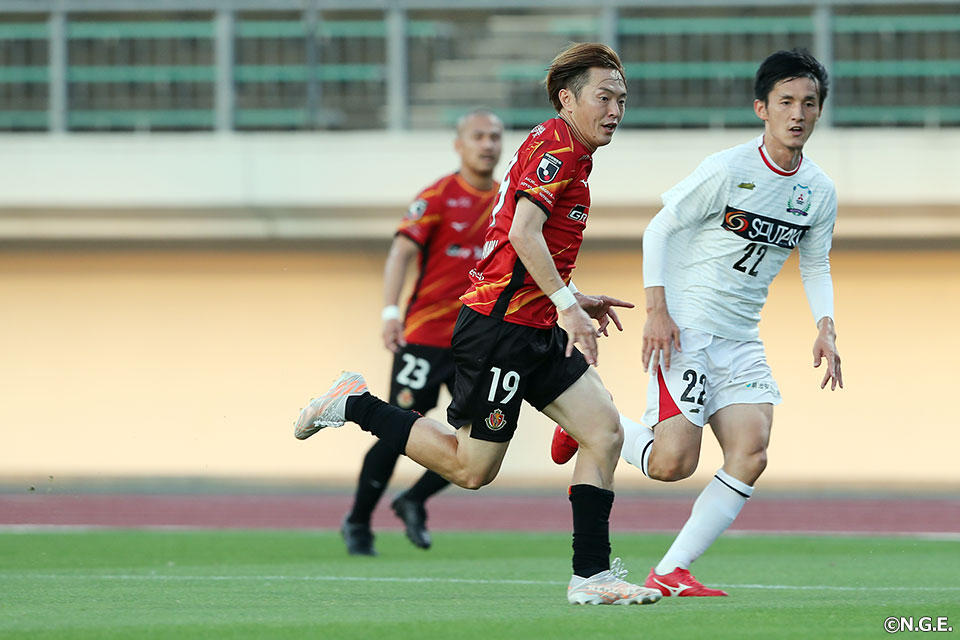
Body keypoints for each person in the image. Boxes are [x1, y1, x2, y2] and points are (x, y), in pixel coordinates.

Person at [294, 42, 661, 606]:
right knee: (471, 470)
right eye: (604, 97)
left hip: (533, 325)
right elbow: (523, 233)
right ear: (567, 98)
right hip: (499, 331)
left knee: (605, 431)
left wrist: (570, 298)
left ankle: (592, 578)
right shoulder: (557, 147)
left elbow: (514, 244)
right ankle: (355, 403)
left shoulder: (571, 151)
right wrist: (565, 303)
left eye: (622, 99)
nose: (615, 110)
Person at [551, 48, 843, 597]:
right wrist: (658, 310)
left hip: (740, 338)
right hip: (687, 328)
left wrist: (825, 325)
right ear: (762, 108)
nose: (797, 113)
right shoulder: (729, 169)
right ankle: (589, 424)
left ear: (819, 111)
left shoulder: (819, 191)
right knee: (671, 465)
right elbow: (658, 230)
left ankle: (671, 569)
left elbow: (816, 260)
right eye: (786, 102)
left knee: (752, 450)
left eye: (809, 103)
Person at [340, 109, 504, 556]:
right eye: (478, 136)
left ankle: (413, 499)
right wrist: (391, 312)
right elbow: (400, 253)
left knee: (484, 439)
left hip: (478, 342)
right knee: (398, 427)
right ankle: (357, 522)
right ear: (459, 144)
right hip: (426, 339)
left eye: (494, 137)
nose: (488, 144)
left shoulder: (509, 199)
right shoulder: (438, 196)